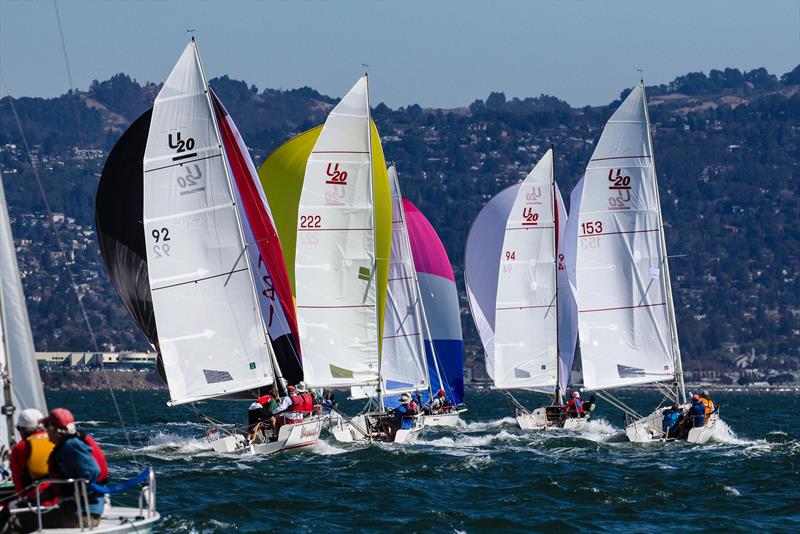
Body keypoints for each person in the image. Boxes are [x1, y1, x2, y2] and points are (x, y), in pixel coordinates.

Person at [40, 408, 104, 528]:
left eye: (46, 426)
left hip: (82, 516)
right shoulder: (67, 445)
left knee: (17, 519)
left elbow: (93, 471)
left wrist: (78, 493)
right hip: (79, 512)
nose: (44, 430)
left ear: (54, 430)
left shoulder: (72, 446)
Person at [9, 409, 54, 499]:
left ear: (22, 429)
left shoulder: (20, 448)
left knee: (6, 511)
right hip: (63, 493)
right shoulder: (56, 440)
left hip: (37, 498)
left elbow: (19, 485)